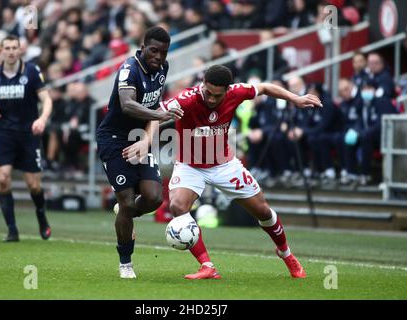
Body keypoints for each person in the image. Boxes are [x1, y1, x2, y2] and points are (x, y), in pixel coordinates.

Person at [127, 65, 322, 279]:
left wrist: (295, 98)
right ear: (203, 84)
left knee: (263, 212)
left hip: (224, 165)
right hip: (190, 166)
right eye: (208, 92)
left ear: (227, 91)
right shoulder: (187, 100)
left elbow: (265, 88)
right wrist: (146, 140)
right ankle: (207, 266)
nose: (211, 99)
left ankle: (287, 254)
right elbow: (155, 116)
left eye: (217, 96)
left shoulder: (236, 93)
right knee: (177, 206)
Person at [96, 26, 183, 279]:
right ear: (142, 47)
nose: (158, 57)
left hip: (139, 138)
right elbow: (128, 104)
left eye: (163, 52)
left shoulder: (162, 70)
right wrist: (158, 115)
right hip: (113, 139)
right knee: (125, 199)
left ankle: (125, 213)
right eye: (153, 50)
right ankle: (126, 262)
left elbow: (154, 106)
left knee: (155, 198)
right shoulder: (129, 69)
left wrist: (146, 139)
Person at [0, 35, 53, 242]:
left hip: (28, 132)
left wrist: (42, 119)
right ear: (1, 51)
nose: (11, 51)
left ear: (20, 50)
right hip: (3, 132)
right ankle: (12, 230)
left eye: (15, 48)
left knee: (33, 185)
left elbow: (46, 99)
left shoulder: (31, 71)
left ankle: (41, 215)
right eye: (7, 48)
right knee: (3, 179)